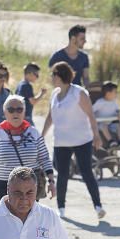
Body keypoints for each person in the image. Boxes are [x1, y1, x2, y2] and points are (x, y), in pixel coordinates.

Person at [41, 61, 104, 219]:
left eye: (53, 74)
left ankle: (98, 206)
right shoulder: (55, 94)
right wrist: (41, 136)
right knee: (61, 174)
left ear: (59, 75)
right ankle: (61, 208)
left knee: (86, 172)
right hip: (61, 142)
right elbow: (50, 116)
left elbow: (91, 115)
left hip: (82, 140)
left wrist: (96, 135)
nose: (51, 77)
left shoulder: (78, 93)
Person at [0, 95, 54, 201]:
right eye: (11, 109)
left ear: (24, 111)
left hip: (29, 188)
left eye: (19, 109)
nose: (15, 113)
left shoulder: (33, 132)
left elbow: (45, 159)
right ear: (4, 112)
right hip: (4, 187)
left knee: (29, 217)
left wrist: (51, 182)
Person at [92, 81, 120, 146]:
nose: (116, 94)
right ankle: (110, 141)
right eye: (115, 92)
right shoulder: (100, 102)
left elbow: (118, 111)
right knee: (103, 126)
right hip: (101, 123)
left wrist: (119, 118)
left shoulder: (114, 102)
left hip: (111, 123)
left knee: (118, 126)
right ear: (108, 93)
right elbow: (91, 111)